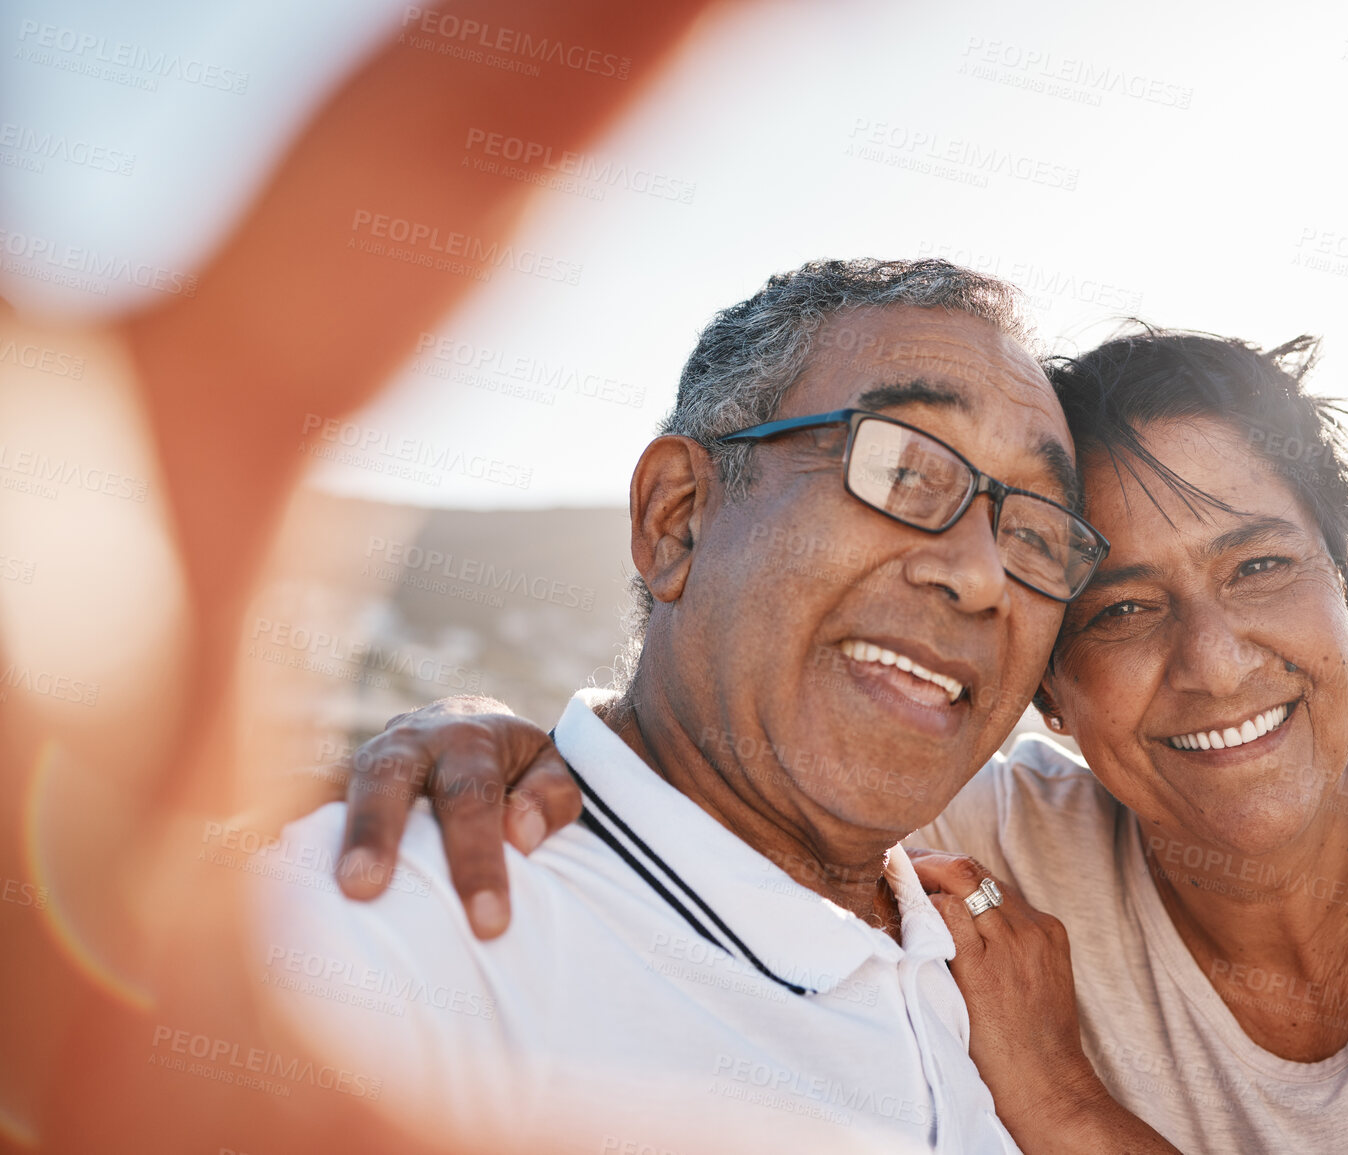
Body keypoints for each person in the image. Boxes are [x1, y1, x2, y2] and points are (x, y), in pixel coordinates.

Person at [334, 322, 1348, 1153]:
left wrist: (1069, 1108)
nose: (1211, 660)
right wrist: (473, 736)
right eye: (1120, 606)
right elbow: (717, 767)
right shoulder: (978, 841)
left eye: (1260, 567)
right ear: (1044, 688)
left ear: (1347, 589)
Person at [253, 258, 1174, 1154]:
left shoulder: (999, 972)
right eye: (900, 471)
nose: (980, 574)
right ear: (677, 517)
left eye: (1035, 533)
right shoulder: (399, 934)